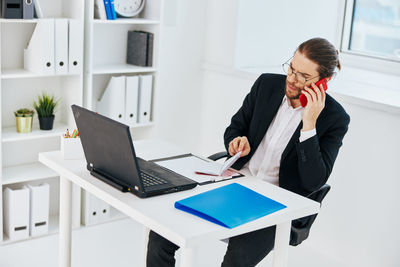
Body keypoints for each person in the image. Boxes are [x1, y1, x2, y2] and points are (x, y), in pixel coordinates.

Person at [146, 37, 350, 267]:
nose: (292, 80)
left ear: (324, 81)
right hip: (235, 185)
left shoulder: (334, 118)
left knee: (237, 260)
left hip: (275, 203)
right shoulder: (267, 85)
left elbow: (314, 181)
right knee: (162, 234)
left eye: (304, 76)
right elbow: (234, 128)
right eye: (291, 69)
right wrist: (235, 141)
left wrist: (309, 125)